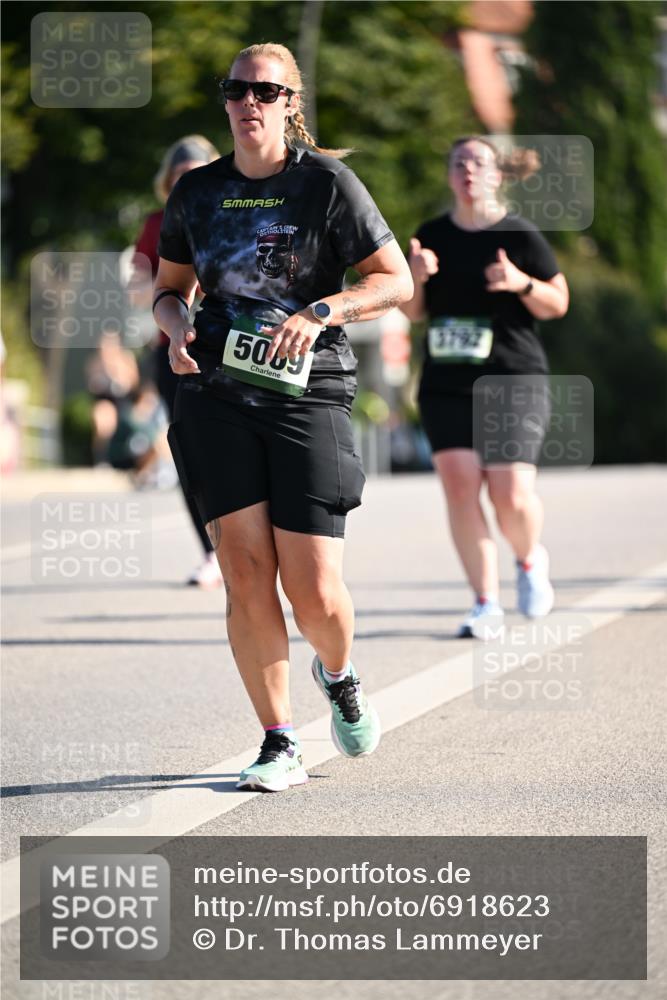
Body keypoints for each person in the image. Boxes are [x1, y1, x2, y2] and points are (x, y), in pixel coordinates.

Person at [153, 43, 413, 791]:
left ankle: (338, 672)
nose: (249, 102)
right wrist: (174, 327)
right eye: (236, 89)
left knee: (315, 590)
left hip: (309, 392)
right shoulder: (198, 191)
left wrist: (321, 311)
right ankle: (278, 741)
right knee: (242, 569)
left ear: (290, 103)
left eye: (266, 91)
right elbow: (170, 289)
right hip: (217, 392)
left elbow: (392, 281)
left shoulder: (326, 183)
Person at [401, 136, 569, 639]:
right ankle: (485, 602)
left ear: (497, 175)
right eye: (459, 163)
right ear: (450, 175)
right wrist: (415, 277)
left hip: (512, 377)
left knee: (510, 493)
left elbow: (558, 303)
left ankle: (529, 560)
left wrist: (521, 283)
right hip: (446, 381)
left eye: (478, 162)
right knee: (460, 488)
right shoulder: (430, 235)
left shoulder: (520, 234)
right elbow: (413, 312)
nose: (468, 170)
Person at [132, 135, 223, 587]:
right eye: (178, 177)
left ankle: (253, 546)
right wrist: (165, 291)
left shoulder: (231, 213)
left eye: (195, 174)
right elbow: (139, 287)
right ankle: (211, 552)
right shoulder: (157, 223)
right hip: (173, 349)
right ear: (167, 183)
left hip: (228, 347)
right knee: (190, 454)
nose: (186, 183)